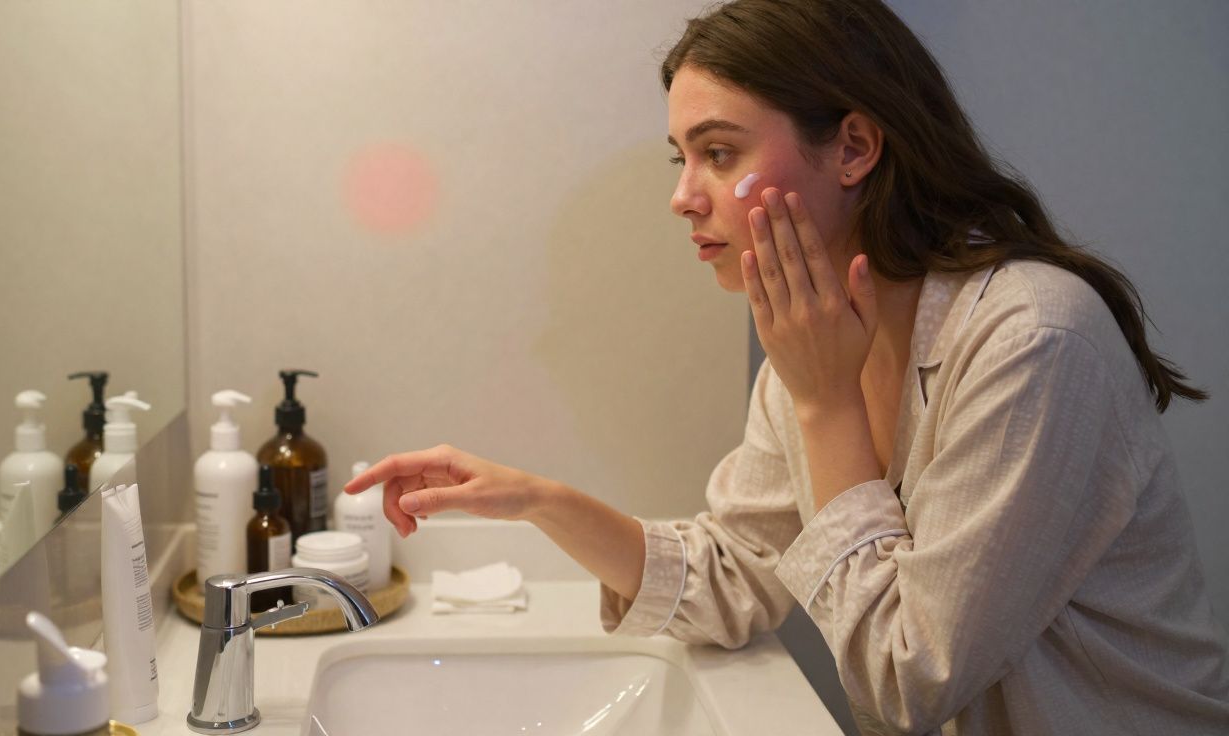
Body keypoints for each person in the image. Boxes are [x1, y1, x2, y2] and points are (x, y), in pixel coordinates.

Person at [344, 1, 1229, 732]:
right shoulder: (818, 343)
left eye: (719, 153)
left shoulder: (1032, 338)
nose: (683, 195)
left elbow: (905, 679)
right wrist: (537, 501)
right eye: (682, 157)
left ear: (853, 147)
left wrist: (825, 407)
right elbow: (733, 576)